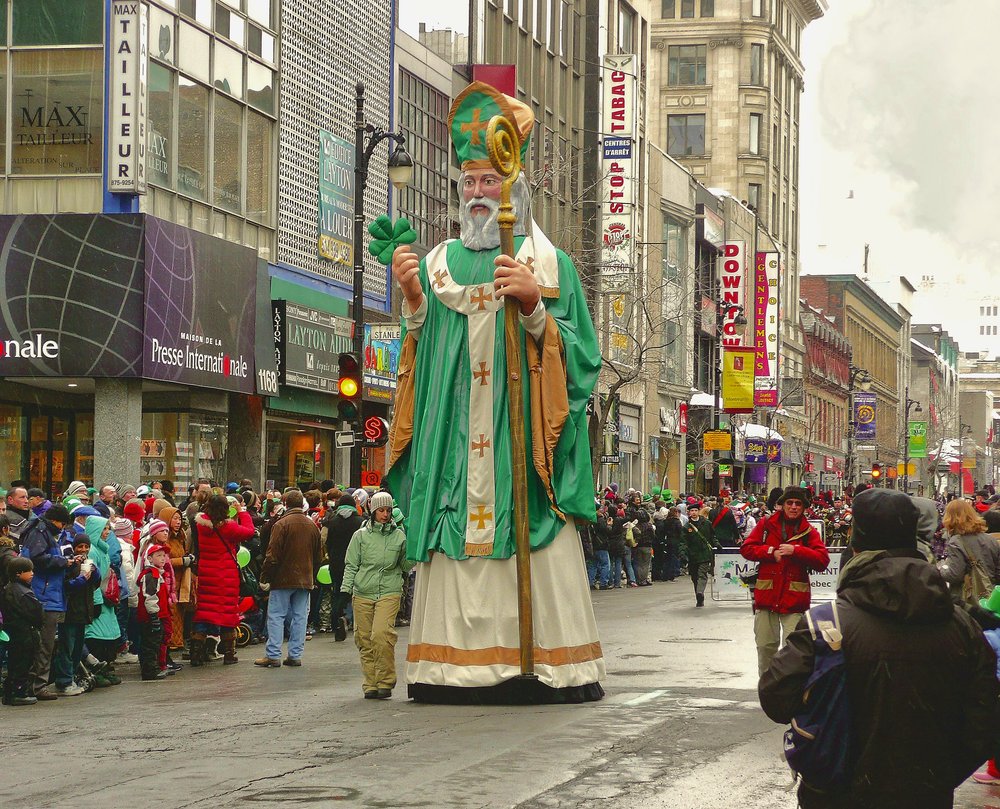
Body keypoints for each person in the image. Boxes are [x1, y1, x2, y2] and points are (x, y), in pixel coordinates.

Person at [385, 82, 604, 703]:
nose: (479, 194)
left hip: (521, 459)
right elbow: (421, 373)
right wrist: (414, 307)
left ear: (515, 184)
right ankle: (450, 667)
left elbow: (582, 362)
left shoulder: (549, 263)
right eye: (470, 183)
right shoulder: (435, 266)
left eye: (489, 181)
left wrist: (536, 309)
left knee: (530, 527)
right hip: (458, 453)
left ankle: (540, 663)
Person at [759, 488, 998, 808]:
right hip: (926, 791)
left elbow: (776, 697)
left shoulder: (827, 623)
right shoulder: (961, 625)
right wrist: (941, 772)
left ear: (855, 546)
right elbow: (985, 714)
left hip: (837, 791)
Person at [741, 486, 829, 675]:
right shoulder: (766, 524)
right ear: (782, 505)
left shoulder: (808, 531)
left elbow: (823, 560)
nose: (794, 507)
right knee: (765, 647)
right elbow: (747, 549)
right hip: (766, 598)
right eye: (790, 503)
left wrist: (796, 551)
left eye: (798, 504)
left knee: (793, 651)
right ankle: (767, 689)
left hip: (794, 600)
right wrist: (770, 552)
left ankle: (789, 692)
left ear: (804, 507)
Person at [340, 491, 413, 699]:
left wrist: (414, 552)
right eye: (381, 510)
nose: (385, 514)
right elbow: (351, 565)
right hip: (363, 591)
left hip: (389, 590)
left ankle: (386, 680)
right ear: (373, 511)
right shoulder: (360, 536)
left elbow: (405, 565)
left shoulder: (399, 536)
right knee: (364, 639)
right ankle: (371, 683)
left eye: (388, 510)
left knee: (381, 635)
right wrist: (345, 591)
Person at [255, 490, 322, 668]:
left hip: (282, 578)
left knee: (276, 615)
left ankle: (273, 654)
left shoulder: (281, 524)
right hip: (305, 578)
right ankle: (295, 654)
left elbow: (272, 555)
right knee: (300, 617)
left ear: (286, 504)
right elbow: (318, 556)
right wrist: (312, 577)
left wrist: (265, 576)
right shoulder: (311, 526)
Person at [191, 494, 255, 666]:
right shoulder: (229, 528)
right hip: (226, 574)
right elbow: (249, 531)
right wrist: (242, 512)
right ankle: (229, 654)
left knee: (205, 611)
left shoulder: (201, 524)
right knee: (227, 612)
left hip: (206, 573)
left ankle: (196, 653)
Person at [20, 503, 75, 700]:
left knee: (46, 644)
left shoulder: (44, 532)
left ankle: (35, 684)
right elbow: (37, 558)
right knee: (44, 644)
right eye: (62, 523)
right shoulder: (40, 532)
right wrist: (63, 561)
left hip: (50, 593)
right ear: (54, 520)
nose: (62, 528)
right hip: (44, 595)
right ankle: (37, 685)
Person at [51, 532, 101, 696]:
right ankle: (64, 681)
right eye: (80, 546)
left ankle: (71, 677)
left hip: (82, 612)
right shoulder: (69, 564)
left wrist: (94, 573)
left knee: (77, 647)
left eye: (86, 547)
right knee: (67, 647)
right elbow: (65, 586)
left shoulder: (88, 562)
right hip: (70, 612)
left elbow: (95, 585)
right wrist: (80, 579)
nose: (83, 550)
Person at [83, 516, 125, 687]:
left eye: (108, 529)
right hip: (99, 601)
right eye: (104, 529)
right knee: (97, 637)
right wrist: (97, 601)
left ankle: (105, 668)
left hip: (106, 600)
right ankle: (96, 672)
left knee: (108, 637)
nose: (107, 532)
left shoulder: (102, 549)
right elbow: (92, 580)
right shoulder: (93, 551)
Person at [938, 498, 1000, 606]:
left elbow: (954, 575)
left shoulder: (956, 541)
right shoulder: (990, 539)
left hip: (968, 598)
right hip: (992, 597)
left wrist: (941, 568)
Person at [1, 557, 44, 705]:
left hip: (13, 631)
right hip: (25, 632)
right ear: (18, 573)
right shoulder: (23, 592)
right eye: (28, 571)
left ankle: (9, 693)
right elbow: (36, 613)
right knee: (23, 663)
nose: (32, 573)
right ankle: (19, 692)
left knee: (14, 662)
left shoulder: (8, 588)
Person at [323, 492, 363, 641]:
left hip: (336, 562)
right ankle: (352, 619)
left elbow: (326, 542)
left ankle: (337, 620)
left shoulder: (331, 521)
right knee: (355, 592)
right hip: (355, 563)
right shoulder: (360, 522)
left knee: (337, 591)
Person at [136, 544, 171, 681]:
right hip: (150, 617)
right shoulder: (151, 575)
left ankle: (154, 667)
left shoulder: (157, 574)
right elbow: (150, 596)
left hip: (156, 616)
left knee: (155, 643)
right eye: (158, 555)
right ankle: (150, 671)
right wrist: (154, 616)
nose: (163, 558)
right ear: (150, 558)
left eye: (164, 555)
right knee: (150, 645)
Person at [683, 503, 718, 607]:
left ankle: (700, 593)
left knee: (702, 574)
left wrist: (716, 544)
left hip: (704, 554)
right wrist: (683, 553)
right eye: (691, 511)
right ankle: (699, 597)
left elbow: (712, 536)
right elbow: (683, 542)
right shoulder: (686, 527)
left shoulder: (706, 523)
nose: (693, 513)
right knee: (694, 577)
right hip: (692, 555)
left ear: (699, 511)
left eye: (695, 510)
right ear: (689, 513)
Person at [632, 511, 655, 586]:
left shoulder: (635, 526)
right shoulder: (649, 525)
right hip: (647, 546)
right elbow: (653, 535)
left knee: (638, 564)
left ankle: (639, 579)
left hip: (637, 546)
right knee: (646, 564)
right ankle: (644, 579)